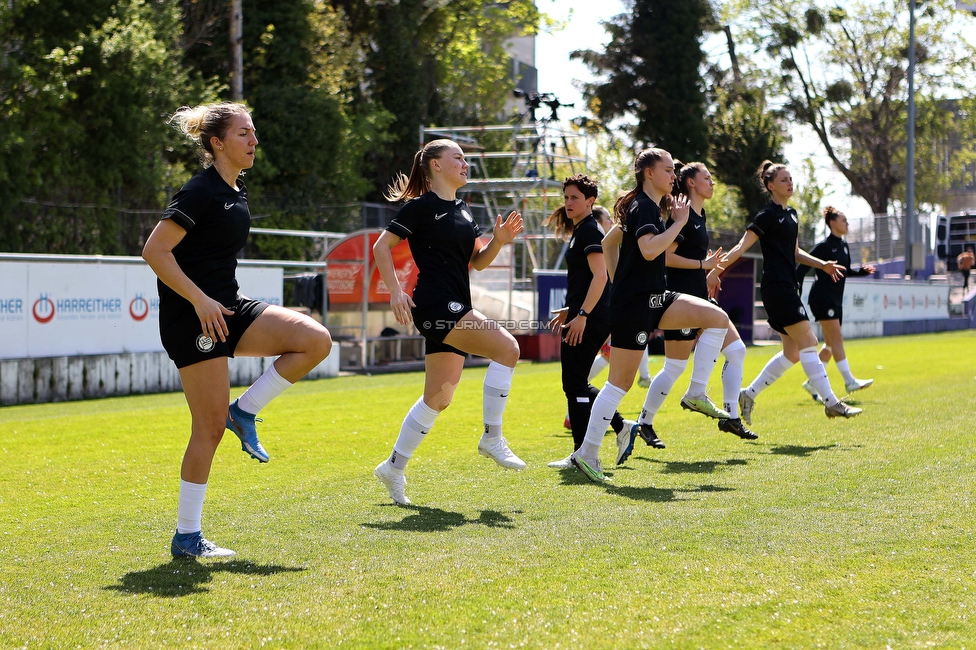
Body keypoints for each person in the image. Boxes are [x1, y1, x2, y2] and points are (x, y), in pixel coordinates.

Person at [142, 102, 333, 558]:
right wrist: (200, 300)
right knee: (206, 430)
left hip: (228, 308)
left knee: (315, 340)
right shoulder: (200, 190)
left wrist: (218, 301)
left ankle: (243, 412)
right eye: (244, 133)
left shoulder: (235, 189)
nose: (254, 141)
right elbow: (155, 251)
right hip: (194, 317)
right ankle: (187, 536)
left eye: (253, 132)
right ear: (217, 143)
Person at [372, 139, 526, 505]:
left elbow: (479, 262)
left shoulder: (463, 208)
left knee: (439, 398)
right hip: (437, 305)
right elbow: (381, 246)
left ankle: (393, 467)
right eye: (457, 156)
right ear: (435, 166)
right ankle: (492, 437)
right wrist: (395, 291)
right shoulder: (420, 207)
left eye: (465, 157)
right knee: (508, 349)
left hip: (455, 305)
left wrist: (500, 241)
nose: (465, 162)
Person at [571, 148, 732, 483]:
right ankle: (586, 454)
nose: (673, 176)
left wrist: (618, 284)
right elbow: (648, 249)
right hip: (635, 306)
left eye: (675, 170)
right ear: (648, 173)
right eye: (668, 170)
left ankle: (696, 392)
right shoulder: (643, 206)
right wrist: (677, 225)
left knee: (716, 317)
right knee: (619, 385)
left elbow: (609, 244)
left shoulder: (644, 207)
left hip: (655, 299)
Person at [715, 161, 862, 424]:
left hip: (787, 286)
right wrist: (715, 270)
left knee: (792, 353)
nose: (789, 184)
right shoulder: (767, 215)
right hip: (777, 288)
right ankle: (831, 402)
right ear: (770, 186)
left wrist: (823, 265)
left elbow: (795, 253)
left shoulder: (792, 214)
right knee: (809, 341)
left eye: (791, 179)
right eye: (783, 180)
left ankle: (748, 394)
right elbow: (740, 246)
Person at [637, 162, 758, 442]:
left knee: (737, 350)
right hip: (679, 301)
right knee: (674, 367)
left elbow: (698, 263)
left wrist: (710, 272)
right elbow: (665, 256)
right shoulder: (683, 216)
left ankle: (730, 417)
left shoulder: (699, 217)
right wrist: (704, 265)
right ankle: (649, 420)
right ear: (691, 183)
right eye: (707, 177)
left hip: (698, 298)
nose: (712, 182)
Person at [545, 176, 636, 469]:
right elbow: (588, 280)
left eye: (575, 198)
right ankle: (619, 428)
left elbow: (601, 277)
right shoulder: (581, 231)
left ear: (590, 201)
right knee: (576, 382)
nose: (569, 203)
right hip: (585, 314)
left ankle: (583, 454)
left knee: (574, 383)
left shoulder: (589, 231)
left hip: (591, 317)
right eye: (566, 197)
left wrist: (582, 315)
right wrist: (571, 309)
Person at [798, 206, 876, 401]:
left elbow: (845, 270)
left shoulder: (844, 245)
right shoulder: (824, 246)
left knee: (831, 344)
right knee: (837, 338)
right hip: (822, 299)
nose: (847, 223)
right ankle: (849, 380)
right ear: (833, 223)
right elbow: (802, 267)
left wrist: (861, 272)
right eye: (844, 220)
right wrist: (795, 288)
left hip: (835, 299)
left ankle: (811, 382)